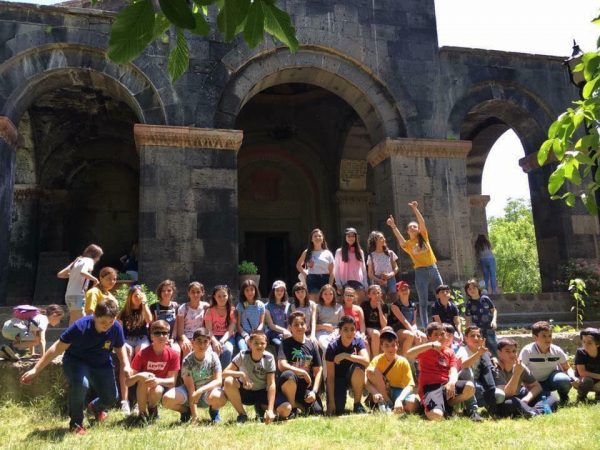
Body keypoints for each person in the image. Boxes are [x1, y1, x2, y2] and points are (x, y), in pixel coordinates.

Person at [20, 300, 132, 436]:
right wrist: (35, 370)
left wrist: (126, 365)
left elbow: (120, 347)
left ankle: (95, 407)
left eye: (110, 322)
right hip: (76, 362)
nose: (107, 326)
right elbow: (56, 348)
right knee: (81, 384)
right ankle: (76, 424)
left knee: (111, 398)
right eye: (103, 322)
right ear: (95, 316)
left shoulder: (115, 328)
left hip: (101, 363)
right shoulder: (80, 327)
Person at [387, 201, 443, 329]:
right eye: (410, 227)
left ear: (418, 229)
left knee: (441, 295)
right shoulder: (408, 244)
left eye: (415, 226)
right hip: (420, 271)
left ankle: (443, 323)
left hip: (432, 268)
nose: (412, 228)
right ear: (407, 231)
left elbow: (422, 222)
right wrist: (393, 226)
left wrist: (415, 209)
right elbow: (400, 239)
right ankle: (426, 327)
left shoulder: (423, 236)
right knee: (423, 301)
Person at [406, 322, 476, 422]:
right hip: (431, 388)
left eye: (442, 334)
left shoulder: (449, 352)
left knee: (470, 387)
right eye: (436, 335)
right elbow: (408, 354)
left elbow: (453, 370)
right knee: (436, 416)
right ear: (429, 337)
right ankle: (427, 406)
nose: (440, 337)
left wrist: (452, 382)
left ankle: (448, 404)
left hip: (446, 385)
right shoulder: (425, 350)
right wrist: (430, 345)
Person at [162, 327, 227, 424]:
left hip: (207, 393)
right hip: (190, 393)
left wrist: (201, 390)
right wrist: (195, 416)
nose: (202, 345)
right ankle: (185, 411)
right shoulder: (187, 361)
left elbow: (218, 381)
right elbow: (190, 390)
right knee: (167, 399)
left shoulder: (213, 357)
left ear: (209, 343)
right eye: (199, 341)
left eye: (205, 341)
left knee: (221, 397)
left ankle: (214, 411)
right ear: (193, 342)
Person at [128, 320, 180, 423]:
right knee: (143, 380)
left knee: (158, 390)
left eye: (164, 333)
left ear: (168, 336)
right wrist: (140, 375)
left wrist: (158, 381)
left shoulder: (173, 355)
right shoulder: (142, 354)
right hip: (142, 388)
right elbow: (128, 382)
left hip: (158, 387)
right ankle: (142, 414)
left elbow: (172, 381)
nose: (161, 336)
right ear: (151, 336)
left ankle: (152, 409)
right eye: (157, 333)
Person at [223, 330, 278, 423]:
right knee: (228, 381)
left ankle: (260, 409)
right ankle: (242, 414)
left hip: (262, 393)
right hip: (245, 392)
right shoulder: (243, 355)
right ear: (250, 344)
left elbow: (271, 384)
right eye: (256, 343)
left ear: (266, 344)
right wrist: (241, 374)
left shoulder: (269, 358)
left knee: (280, 413)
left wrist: (270, 409)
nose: (259, 346)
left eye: (262, 343)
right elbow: (224, 373)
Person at [276, 311, 324, 416]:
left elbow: (318, 370)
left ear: (306, 326)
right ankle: (291, 410)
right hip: (288, 386)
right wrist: (302, 372)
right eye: (296, 324)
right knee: (289, 375)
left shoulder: (312, 345)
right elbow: (282, 365)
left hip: (305, 388)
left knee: (318, 411)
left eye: (302, 324)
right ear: (290, 327)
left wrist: (314, 392)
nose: (299, 327)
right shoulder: (285, 343)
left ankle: (296, 405)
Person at [519, 321, 575, 406]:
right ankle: (544, 395)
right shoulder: (527, 351)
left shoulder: (556, 350)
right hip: (533, 384)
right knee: (542, 399)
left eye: (550, 336)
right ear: (535, 337)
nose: (548, 339)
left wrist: (573, 377)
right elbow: (520, 370)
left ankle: (564, 397)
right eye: (544, 336)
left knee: (564, 380)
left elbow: (567, 368)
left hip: (550, 380)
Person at [365, 327, 420, 415]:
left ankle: (394, 406)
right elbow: (366, 378)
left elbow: (410, 385)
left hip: (399, 392)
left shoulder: (403, 361)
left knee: (413, 404)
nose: (390, 349)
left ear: (397, 345)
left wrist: (400, 399)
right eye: (386, 345)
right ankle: (387, 403)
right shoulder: (377, 359)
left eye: (393, 345)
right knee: (371, 370)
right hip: (383, 391)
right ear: (381, 347)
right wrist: (374, 392)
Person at [493, 337, 551, 417]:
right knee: (512, 402)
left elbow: (537, 387)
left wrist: (527, 398)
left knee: (548, 395)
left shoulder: (519, 366)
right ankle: (535, 412)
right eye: (507, 351)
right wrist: (517, 373)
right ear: (499, 353)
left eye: (514, 351)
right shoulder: (496, 368)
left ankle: (533, 412)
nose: (512, 354)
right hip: (504, 402)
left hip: (519, 396)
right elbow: (507, 394)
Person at [117, 284, 153, 415]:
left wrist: (145, 304)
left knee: (141, 351)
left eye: (140, 295)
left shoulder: (144, 309)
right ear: (130, 297)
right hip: (127, 339)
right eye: (135, 295)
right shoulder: (124, 312)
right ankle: (124, 400)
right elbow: (118, 329)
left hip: (141, 338)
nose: (138, 297)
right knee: (126, 355)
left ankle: (140, 400)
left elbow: (149, 320)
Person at [324, 315, 369, 415]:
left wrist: (346, 355)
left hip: (353, 376)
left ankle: (357, 404)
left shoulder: (358, 341)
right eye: (345, 329)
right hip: (337, 379)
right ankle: (338, 399)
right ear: (339, 331)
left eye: (352, 329)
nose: (349, 333)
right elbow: (330, 377)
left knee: (359, 368)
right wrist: (331, 402)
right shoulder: (332, 347)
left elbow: (366, 361)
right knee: (337, 410)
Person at [456, 326, 502, 421]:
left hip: (478, 383)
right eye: (472, 336)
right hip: (463, 384)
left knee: (500, 396)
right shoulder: (463, 350)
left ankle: (491, 409)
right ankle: (472, 410)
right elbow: (464, 365)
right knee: (468, 372)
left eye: (478, 336)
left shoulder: (484, 351)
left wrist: (493, 358)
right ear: (466, 338)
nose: (476, 338)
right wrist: (478, 353)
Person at [57, 244, 103, 324]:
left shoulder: (77, 261)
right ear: (95, 255)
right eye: (99, 257)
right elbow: (83, 272)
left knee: (74, 319)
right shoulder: (89, 261)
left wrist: (74, 275)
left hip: (68, 295)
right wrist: (95, 279)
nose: (98, 259)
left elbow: (60, 274)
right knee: (82, 320)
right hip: (78, 295)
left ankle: (71, 332)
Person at [387, 281, 426, 355]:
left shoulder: (413, 305)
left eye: (406, 289)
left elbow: (414, 323)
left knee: (423, 336)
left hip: (410, 329)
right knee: (410, 335)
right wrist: (413, 332)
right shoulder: (395, 305)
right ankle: (405, 358)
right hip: (397, 330)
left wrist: (415, 331)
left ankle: (418, 358)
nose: (404, 291)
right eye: (402, 289)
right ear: (398, 292)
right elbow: (404, 321)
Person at [296, 228, 335, 302]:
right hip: (312, 279)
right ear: (311, 239)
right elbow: (298, 265)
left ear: (323, 238)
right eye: (315, 236)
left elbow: (332, 272)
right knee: (313, 302)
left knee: (324, 301)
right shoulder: (307, 252)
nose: (317, 238)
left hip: (325, 278)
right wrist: (304, 274)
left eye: (320, 236)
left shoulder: (328, 253)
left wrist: (330, 285)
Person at [204, 285, 236, 368]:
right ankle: (211, 373)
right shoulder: (210, 311)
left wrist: (221, 342)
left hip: (227, 337)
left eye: (224, 296)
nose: (222, 298)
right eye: (219, 296)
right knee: (209, 351)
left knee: (227, 350)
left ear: (228, 296)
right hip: (212, 337)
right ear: (214, 297)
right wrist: (214, 341)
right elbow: (208, 330)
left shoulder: (232, 310)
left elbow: (230, 331)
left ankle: (224, 373)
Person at [464, 278, 498, 357]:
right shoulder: (469, 303)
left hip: (489, 328)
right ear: (467, 292)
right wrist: (467, 332)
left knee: (493, 347)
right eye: (469, 289)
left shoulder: (485, 299)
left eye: (474, 288)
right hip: (478, 332)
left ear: (478, 288)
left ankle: (497, 362)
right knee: (481, 349)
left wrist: (494, 321)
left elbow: (494, 310)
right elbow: (468, 318)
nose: (472, 290)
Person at [176, 282, 209, 357]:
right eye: (193, 292)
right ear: (188, 293)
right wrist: (185, 340)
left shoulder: (206, 307)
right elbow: (180, 332)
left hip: (201, 337)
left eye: (198, 292)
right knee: (187, 348)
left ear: (202, 293)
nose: (195, 295)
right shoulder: (183, 308)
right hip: (185, 337)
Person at [334, 227, 367, 300]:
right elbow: (336, 269)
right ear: (345, 237)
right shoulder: (339, 251)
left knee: (359, 304)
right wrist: (338, 284)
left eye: (353, 236)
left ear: (356, 238)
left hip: (358, 283)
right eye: (348, 236)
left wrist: (365, 284)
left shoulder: (360, 252)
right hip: (344, 283)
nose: (351, 238)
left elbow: (363, 269)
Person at [366, 230, 399, 302]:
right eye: (381, 238)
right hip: (378, 280)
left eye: (383, 237)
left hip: (390, 278)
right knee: (380, 299)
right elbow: (370, 274)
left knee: (394, 298)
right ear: (375, 241)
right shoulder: (371, 256)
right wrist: (378, 280)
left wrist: (390, 274)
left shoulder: (390, 253)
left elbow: (396, 268)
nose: (383, 239)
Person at [150, 279, 180, 354]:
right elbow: (152, 326)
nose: (166, 293)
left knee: (176, 351)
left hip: (172, 339)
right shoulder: (153, 307)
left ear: (173, 292)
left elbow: (176, 326)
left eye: (169, 290)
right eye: (163, 291)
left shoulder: (176, 307)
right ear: (160, 292)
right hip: (157, 337)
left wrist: (172, 339)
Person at [236, 279, 265, 353]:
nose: (250, 292)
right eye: (247, 290)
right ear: (243, 292)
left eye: (252, 289)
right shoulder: (240, 305)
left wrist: (256, 333)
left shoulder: (261, 305)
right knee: (244, 350)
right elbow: (238, 325)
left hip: (257, 334)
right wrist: (246, 336)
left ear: (255, 290)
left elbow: (261, 323)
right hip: (243, 335)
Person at [572, 327, 600, 402]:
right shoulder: (581, 353)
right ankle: (581, 397)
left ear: (597, 344)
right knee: (588, 381)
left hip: (598, 381)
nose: (585, 345)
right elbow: (582, 372)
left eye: (589, 343)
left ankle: (598, 396)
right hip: (583, 379)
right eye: (583, 342)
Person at [361, 284, 388, 356]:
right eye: (373, 293)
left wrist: (379, 308)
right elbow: (362, 320)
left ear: (381, 294)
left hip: (380, 328)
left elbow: (384, 325)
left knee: (388, 330)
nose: (376, 295)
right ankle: (375, 359)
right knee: (376, 333)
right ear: (369, 295)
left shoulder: (384, 306)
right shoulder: (364, 304)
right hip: (368, 327)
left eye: (378, 293)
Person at [315, 284, 343, 353]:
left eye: (331, 294)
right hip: (321, 332)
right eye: (325, 294)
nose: (328, 296)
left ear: (334, 295)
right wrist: (324, 326)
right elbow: (313, 326)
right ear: (321, 295)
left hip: (336, 332)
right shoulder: (317, 307)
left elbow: (342, 324)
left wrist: (336, 332)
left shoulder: (339, 307)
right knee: (327, 347)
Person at [264, 280, 292, 348]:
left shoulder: (288, 306)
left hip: (288, 332)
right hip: (273, 334)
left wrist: (287, 332)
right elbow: (271, 325)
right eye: (277, 290)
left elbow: (291, 321)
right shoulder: (267, 306)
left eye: (282, 290)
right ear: (273, 291)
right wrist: (284, 331)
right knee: (280, 345)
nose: (279, 292)